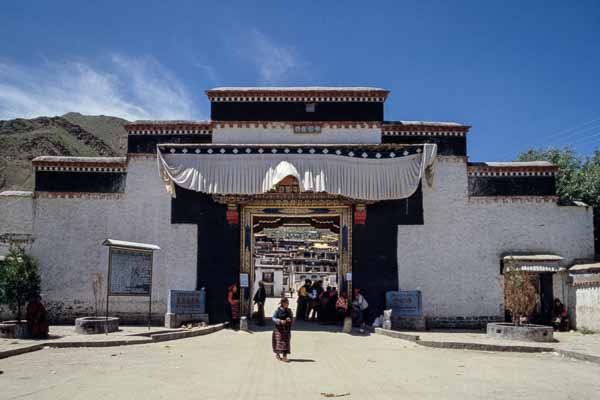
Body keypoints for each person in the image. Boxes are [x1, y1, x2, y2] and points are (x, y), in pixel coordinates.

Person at [272, 297, 294, 362]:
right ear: (282, 303)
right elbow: (273, 318)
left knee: (286, 343)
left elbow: (292, 318)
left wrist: (290, 320)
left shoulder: (289, 310)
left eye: (288, 303)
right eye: (286, 303)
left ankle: (284, 356)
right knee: (278, 342)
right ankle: (278, 355)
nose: (287, 304)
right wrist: (279, 321)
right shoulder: (277, 310)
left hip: (287, 329)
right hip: (278, 330)